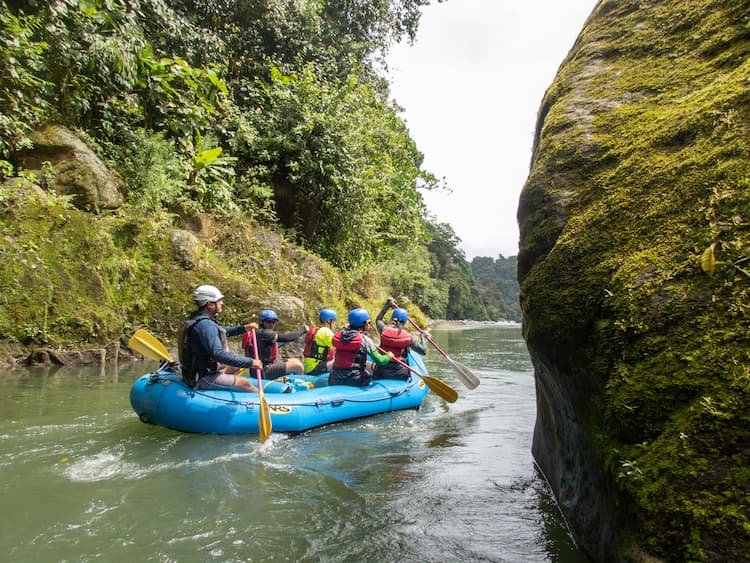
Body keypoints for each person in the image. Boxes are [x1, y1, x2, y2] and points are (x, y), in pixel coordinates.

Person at [178, 284, 262, 391]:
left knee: (237, 366)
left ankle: (228, 386)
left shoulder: (197, 319)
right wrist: (251, 362)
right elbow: (218, 354)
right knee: (245, 383)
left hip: (199, 371)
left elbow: (221, 332)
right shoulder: (205, 326)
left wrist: (244, 328)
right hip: (203, 377)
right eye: (218, 300)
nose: (221, 303)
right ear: (209, 304)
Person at [329, 307, 393, 387]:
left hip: (335, 378)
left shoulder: (339, 336)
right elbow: (380, 360)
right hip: (355, 379)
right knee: (370, 374)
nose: (369, 325)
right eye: (369, 322)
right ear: (364, 324)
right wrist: (389, 356)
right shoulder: (365, 340)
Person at [243, 309, 308, 379]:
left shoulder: (258, 333)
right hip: (263, 370)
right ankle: (300, 387)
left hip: (261, 368)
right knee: (297, 366)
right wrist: (303, 330)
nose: (272, 324)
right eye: (269, 322)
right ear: (261, 322)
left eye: (274, 322)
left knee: (295, 360)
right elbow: (287, 337)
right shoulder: (264, 333)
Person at [373, 298, 427, 380]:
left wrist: (387, 306)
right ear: (405, 322)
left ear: (392, 319)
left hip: (381, 371)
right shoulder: (409, 338)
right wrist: (422, 337)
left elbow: (378, 320)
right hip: (400, 373)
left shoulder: (383, 330)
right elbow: (423, 351)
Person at [303, 308, 337, 375]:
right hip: (316, 367)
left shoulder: (317, 330)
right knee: (340, 362)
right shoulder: (326, 331)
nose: (335, 324)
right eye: (334, 321)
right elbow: (339, 345)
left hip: (308, 367)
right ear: (328, 321)